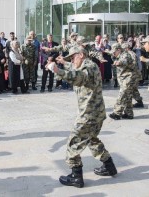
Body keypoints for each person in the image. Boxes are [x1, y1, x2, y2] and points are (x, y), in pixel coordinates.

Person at [47, 46, 117, 188]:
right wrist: (64, 62)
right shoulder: (86, 65)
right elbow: (75, 68)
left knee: (73, 143)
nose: (71, 61)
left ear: (81, 55)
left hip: (89, 115)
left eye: (72, 58)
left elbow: (79, 77)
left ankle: (76, 177)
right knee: (92, 140)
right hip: (95, 113)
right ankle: (109, 166)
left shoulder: (89, 68)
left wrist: (57, 70)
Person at [108, 43, 137, 120]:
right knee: (128, 96)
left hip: (128, 78)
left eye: (114, 52)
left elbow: (124, 61)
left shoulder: (125, 55)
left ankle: (117, 113)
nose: (113, 53)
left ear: (119, 50)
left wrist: (118, 63)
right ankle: (129, 113)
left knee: (122, 95)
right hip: (124, 78)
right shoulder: (118, 55)